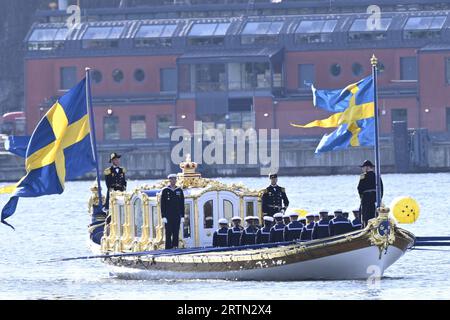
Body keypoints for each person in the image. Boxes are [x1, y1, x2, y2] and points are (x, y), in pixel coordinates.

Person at [160, 174, 185, 249]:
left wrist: (182, 215)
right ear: (169, 180)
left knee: (176, 231)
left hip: (177, 215)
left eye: (174, 179)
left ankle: (175, 246)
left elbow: (182, 204)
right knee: (168, 232)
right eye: (171, 179)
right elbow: (162, 204)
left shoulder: (179, 190)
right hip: (168, 215)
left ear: (176, 180)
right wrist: (163, 216)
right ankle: (168, 247)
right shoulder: (165, 190)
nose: (173, 181)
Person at [358, 160, 384, 227]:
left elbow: (359, 189)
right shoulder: (377, 176)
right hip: (375, 198)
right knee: (375, 214)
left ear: (367, 167)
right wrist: (379, 198)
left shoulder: (363, 176)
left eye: (363, 167)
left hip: (366, 198)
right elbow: (381, 189)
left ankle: (366, 228)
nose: (362, 169)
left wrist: (362, 198)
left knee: (365, 216)